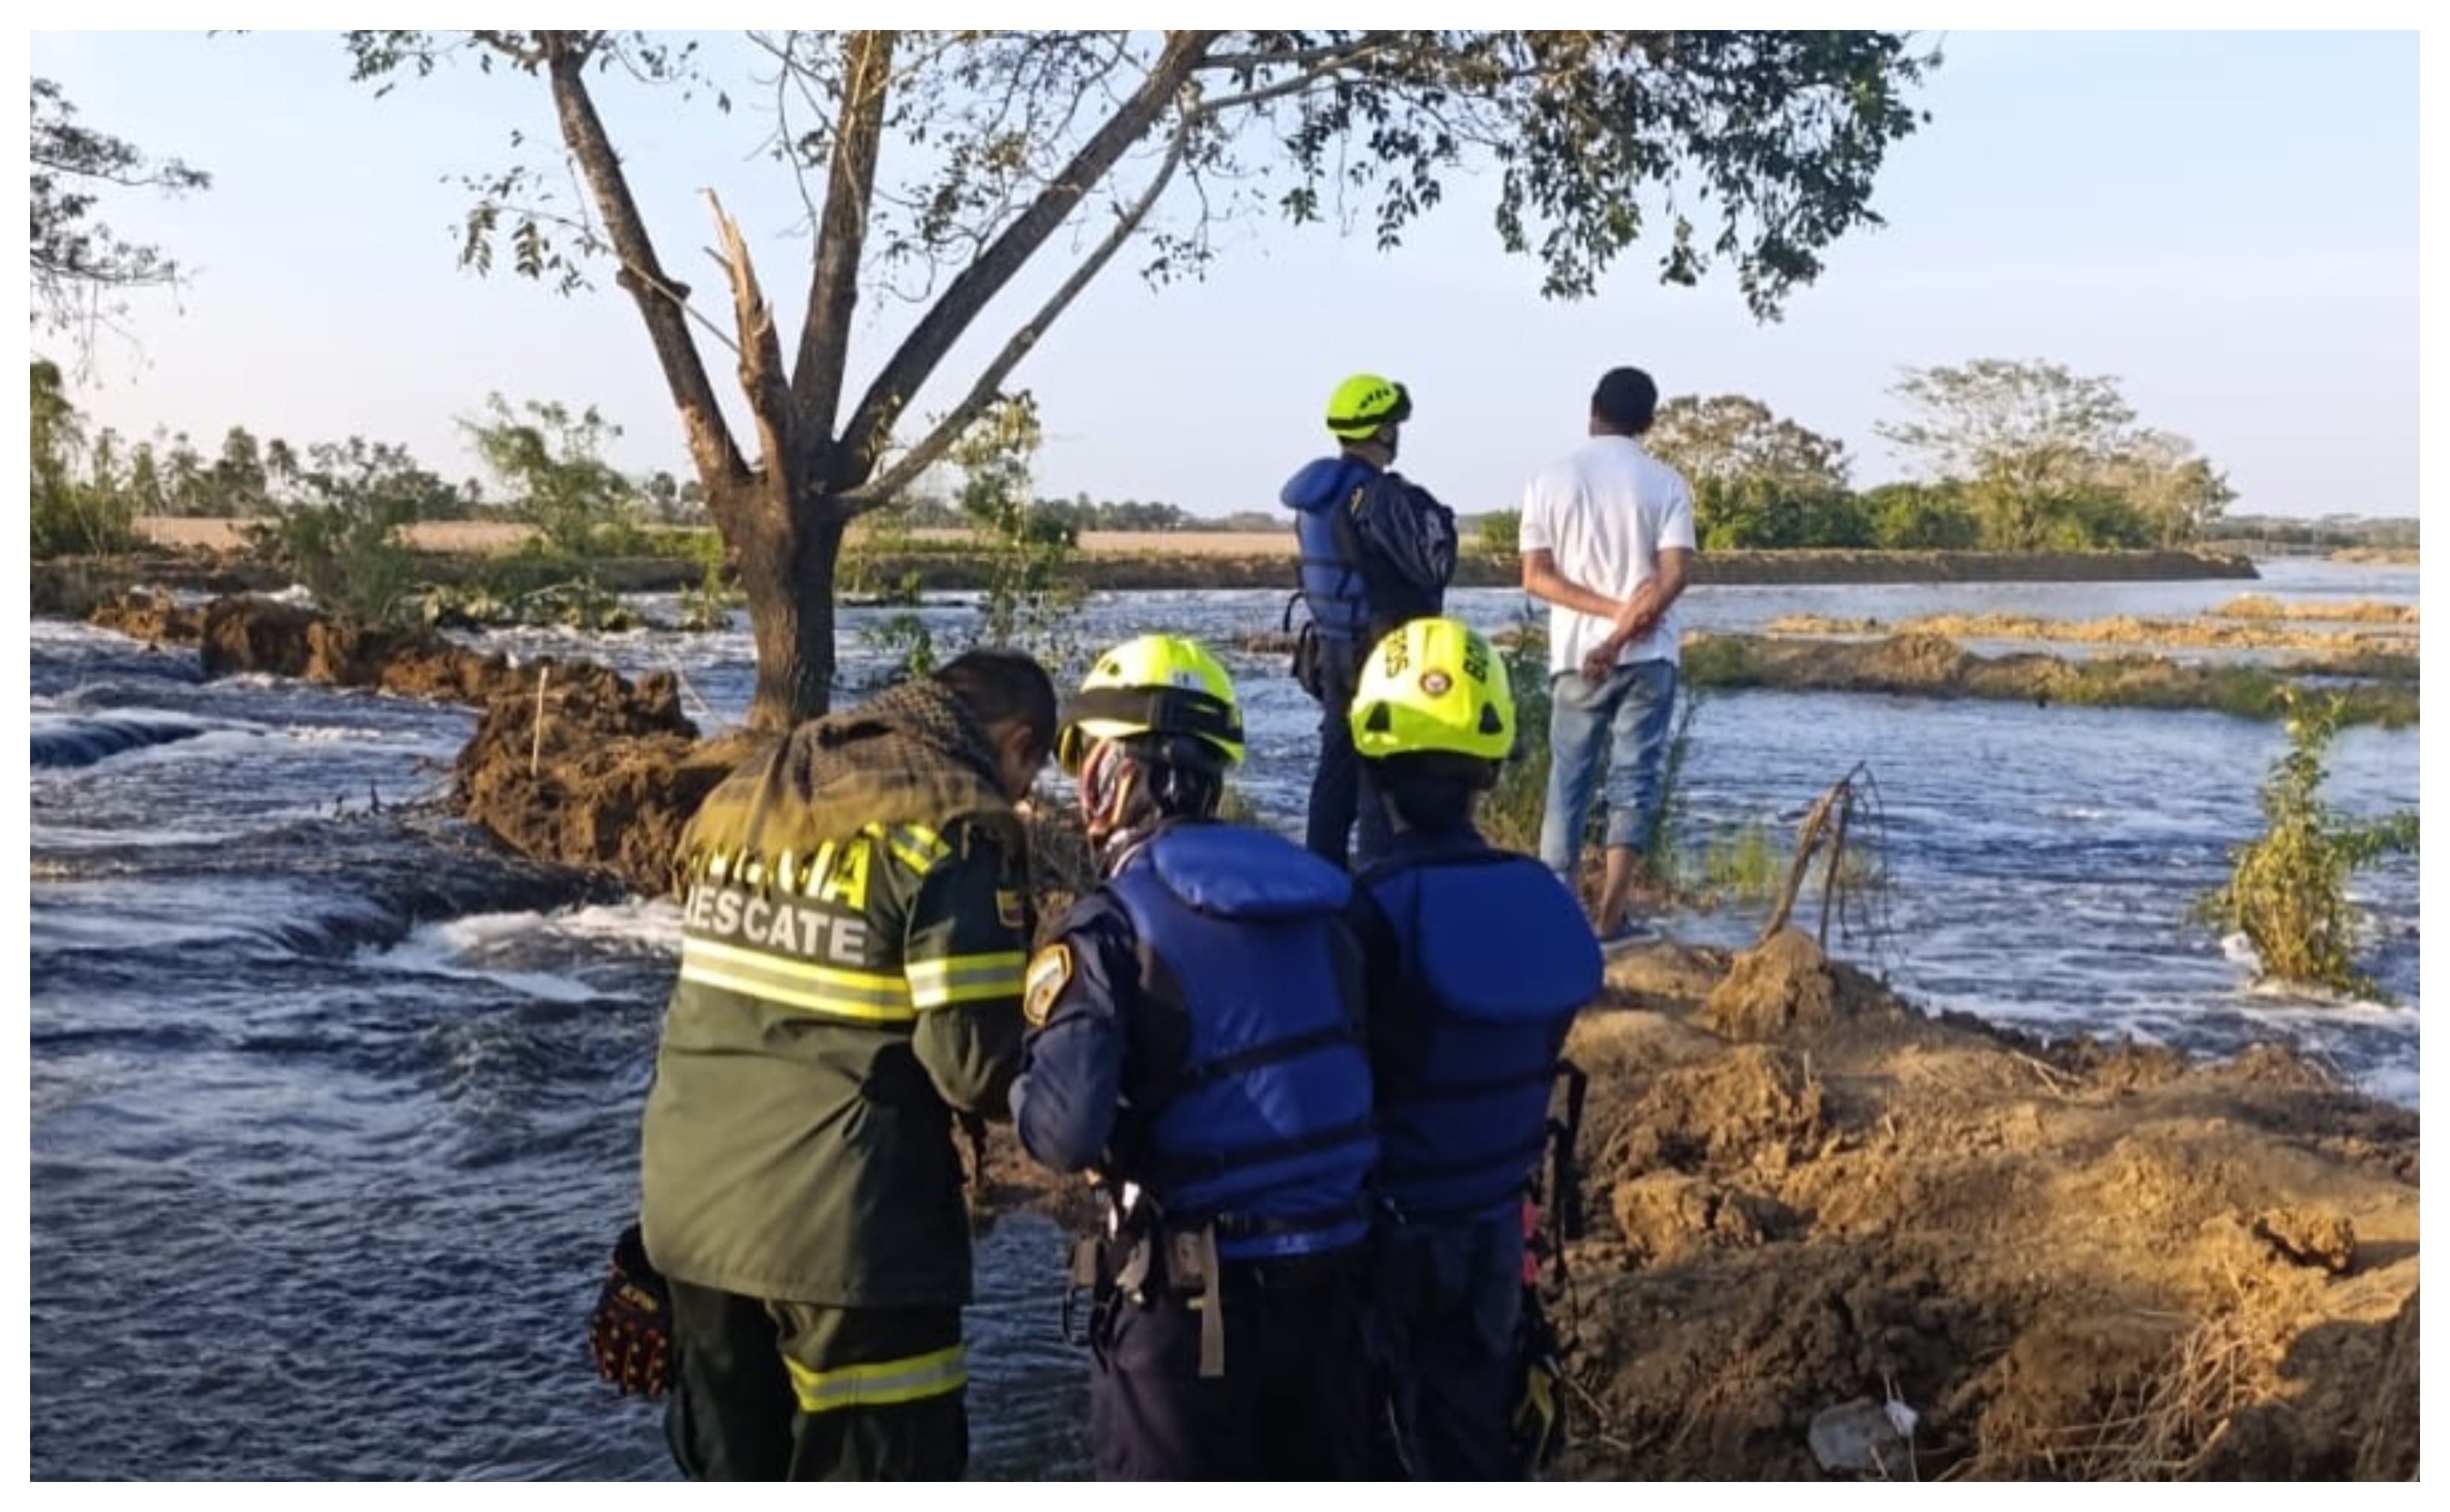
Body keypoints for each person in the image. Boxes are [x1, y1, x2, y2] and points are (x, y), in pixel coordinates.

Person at [635, 650, 1057, 1480]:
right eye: (1029, 770)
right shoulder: (953, 820)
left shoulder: (763, 784)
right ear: (1015, 740)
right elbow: (970, 1066)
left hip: (688, 1212)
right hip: (846, 1239)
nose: (1024, 796)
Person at [1010, 634, 1378, 1480]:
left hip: (1185, 1305)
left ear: (1121, 771)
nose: (1079, 786)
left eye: (1088, 759)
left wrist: (1019, 1077)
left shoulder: (1107, 924)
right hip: (1333, 1285)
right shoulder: (1321, 899)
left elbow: (1064, 1133)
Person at [1343, 617, 1604, 1479]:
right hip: (1499, 1234)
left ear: (1373, 762)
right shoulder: (1538, 896)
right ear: (1490, 768)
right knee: (1476, 1444)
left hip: (1385, 1239)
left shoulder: (1368, 910)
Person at [1518, 365, 1698, 948]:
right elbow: (1675, 576)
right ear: (1649, 421)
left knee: (1565, 787)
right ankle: (1612, 921)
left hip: (1574, 656)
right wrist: (1625, 626)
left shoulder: (1549, 480)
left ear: (1592, 409)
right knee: (1633, 785)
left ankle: (1555, 922)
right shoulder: (1666, 482)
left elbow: (1536, 577)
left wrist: (1603, 619)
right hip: (1649, 657)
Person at [1282, 372, 1460, 872]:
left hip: (1334, 655)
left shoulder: (1317, 497)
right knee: (1379, 778)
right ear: (1382, 431)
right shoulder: (1377, 495)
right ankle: (1382, 884)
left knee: (1334, 775)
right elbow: (1433, 566)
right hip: (1384, 658)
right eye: (1393, 425)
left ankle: (1320, 880)